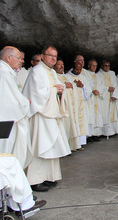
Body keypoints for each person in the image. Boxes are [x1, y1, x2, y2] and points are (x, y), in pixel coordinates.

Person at [23, 45, 71, 192]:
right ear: (42, 56)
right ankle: (35, 180)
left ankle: (50, 176)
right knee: (40, 146)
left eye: (55, 56)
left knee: (52, 145)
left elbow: (56, 88)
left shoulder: (51, 72)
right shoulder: (36, 72)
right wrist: (55, 90)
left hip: (51, 115)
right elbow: (36, 94)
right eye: (50, 55)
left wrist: (60, 91)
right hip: (40, 116)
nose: (53, 59)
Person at [0, 46, 32, 169]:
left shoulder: (6, 72)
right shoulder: (4, 75)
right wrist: (26, 102)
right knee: (5, 154)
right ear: (9, 58)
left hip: (5, 121)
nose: (21, 61)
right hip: (5, 123)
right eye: (19, 58)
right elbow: (10, 102)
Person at [54, 59, 81, 151]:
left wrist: (72, 85)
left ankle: (71, 146)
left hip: (70, 106)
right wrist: (65, 86)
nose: (61, 66)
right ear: (54, 66)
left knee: (71, 125)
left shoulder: (66, 76)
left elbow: (73, 87)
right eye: (59, 64)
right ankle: (63, 147)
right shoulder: (54, 76)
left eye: (62, 64)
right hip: (61, 106)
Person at [66, 62, 92, 147]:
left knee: (82, 122)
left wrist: (83, 86)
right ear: (72, 68)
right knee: (74, 122)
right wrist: (75, 85)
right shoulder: (68, 76)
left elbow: (89, 89)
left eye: (80, 69)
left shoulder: (83, 77)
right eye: (77, 69)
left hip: (82, 104)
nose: (79, 71)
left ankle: (81, 143)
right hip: (74, 104)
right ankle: (74, 143)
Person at [97, 60, 118, 137]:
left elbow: (115, 85)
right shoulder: (98, 75)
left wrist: (115, 95)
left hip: (112, 97)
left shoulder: (112, 73)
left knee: (112, 114)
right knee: (105, 114)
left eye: (108, 66)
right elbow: (98, 86)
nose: (107, 67)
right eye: (105, 66)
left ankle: (112, 131)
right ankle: (105, 132)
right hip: (103, 98)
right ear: (102, 66)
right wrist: (107, 88)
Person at [87, 59, 104, 140]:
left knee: (97, 116)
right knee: (91, 116)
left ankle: (96, 134)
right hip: (90, 98)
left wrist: (98, 91)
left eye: (95, 66)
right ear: (88, 66)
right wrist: (92, 90)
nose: (94, 67)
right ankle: (90, 135)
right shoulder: (86, 74)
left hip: (97, 98)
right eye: (92, 65)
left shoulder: (98, 75)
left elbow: (101, 86)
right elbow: (86, 85)